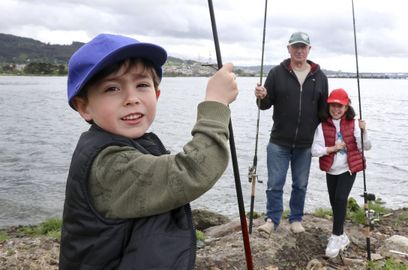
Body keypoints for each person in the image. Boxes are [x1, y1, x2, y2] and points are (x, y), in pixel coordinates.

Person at [59, 33, 238, 269]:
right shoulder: (109, 164)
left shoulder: (132, 144)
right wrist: (215, 104)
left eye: (142, 85)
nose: (131, 98)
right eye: (112, 88)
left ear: (156, 94)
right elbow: (191, 172)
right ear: (84, 107)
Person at [255, 31, 329, 234]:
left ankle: (296, 219)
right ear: (288, 49)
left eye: (303, 47)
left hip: (305, 144)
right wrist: (261, 96)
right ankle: (272, 219)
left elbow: (325, 112)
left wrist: (346, 118)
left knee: (301, 184)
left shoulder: (320, 77)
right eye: (295, 47)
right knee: (274, 184)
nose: (299, 50)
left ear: (309, 50)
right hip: (279, 141)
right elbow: (265, 105)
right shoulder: (276, 73)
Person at [311, 88, 372, 258]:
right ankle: (343, 236)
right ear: (329, 106)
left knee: (340, 198)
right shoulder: (322, 125)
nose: (336, 109)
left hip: (348, 169)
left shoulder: (353, 124)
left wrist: (363, 131)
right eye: (333, 105)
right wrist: (332, 149)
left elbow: (365, 147)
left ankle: (336, 236)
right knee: (335, 203)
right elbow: (314, 150)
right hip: (331, 170)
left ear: (346, 107)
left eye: (340, 106)